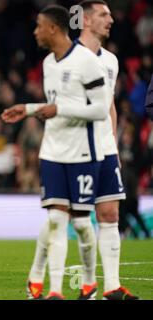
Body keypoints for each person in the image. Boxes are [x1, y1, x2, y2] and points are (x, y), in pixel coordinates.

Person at [24, 0, 139, 300]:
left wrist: (111, 141)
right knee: (62, 216)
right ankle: (40, 277)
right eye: (104, 15)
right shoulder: (66, 58)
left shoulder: (111, 60)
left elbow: (109, 105)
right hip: (73, 150)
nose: (111, 20)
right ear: (86, 21)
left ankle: (111, 287)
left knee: (110, 214)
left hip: (103, 148)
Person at [2, 5, 110, 299]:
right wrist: (29, 109)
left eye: (39, 26)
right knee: (55, 220)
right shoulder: (49, 63)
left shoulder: (87, 62)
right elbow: (53, 106)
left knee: (81, 224)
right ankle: (55, 291)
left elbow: (100, 110)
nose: (35, 31)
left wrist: (56, 109)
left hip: (82, 154)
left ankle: (89, 283)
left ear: (53, 28)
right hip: (52, 152)